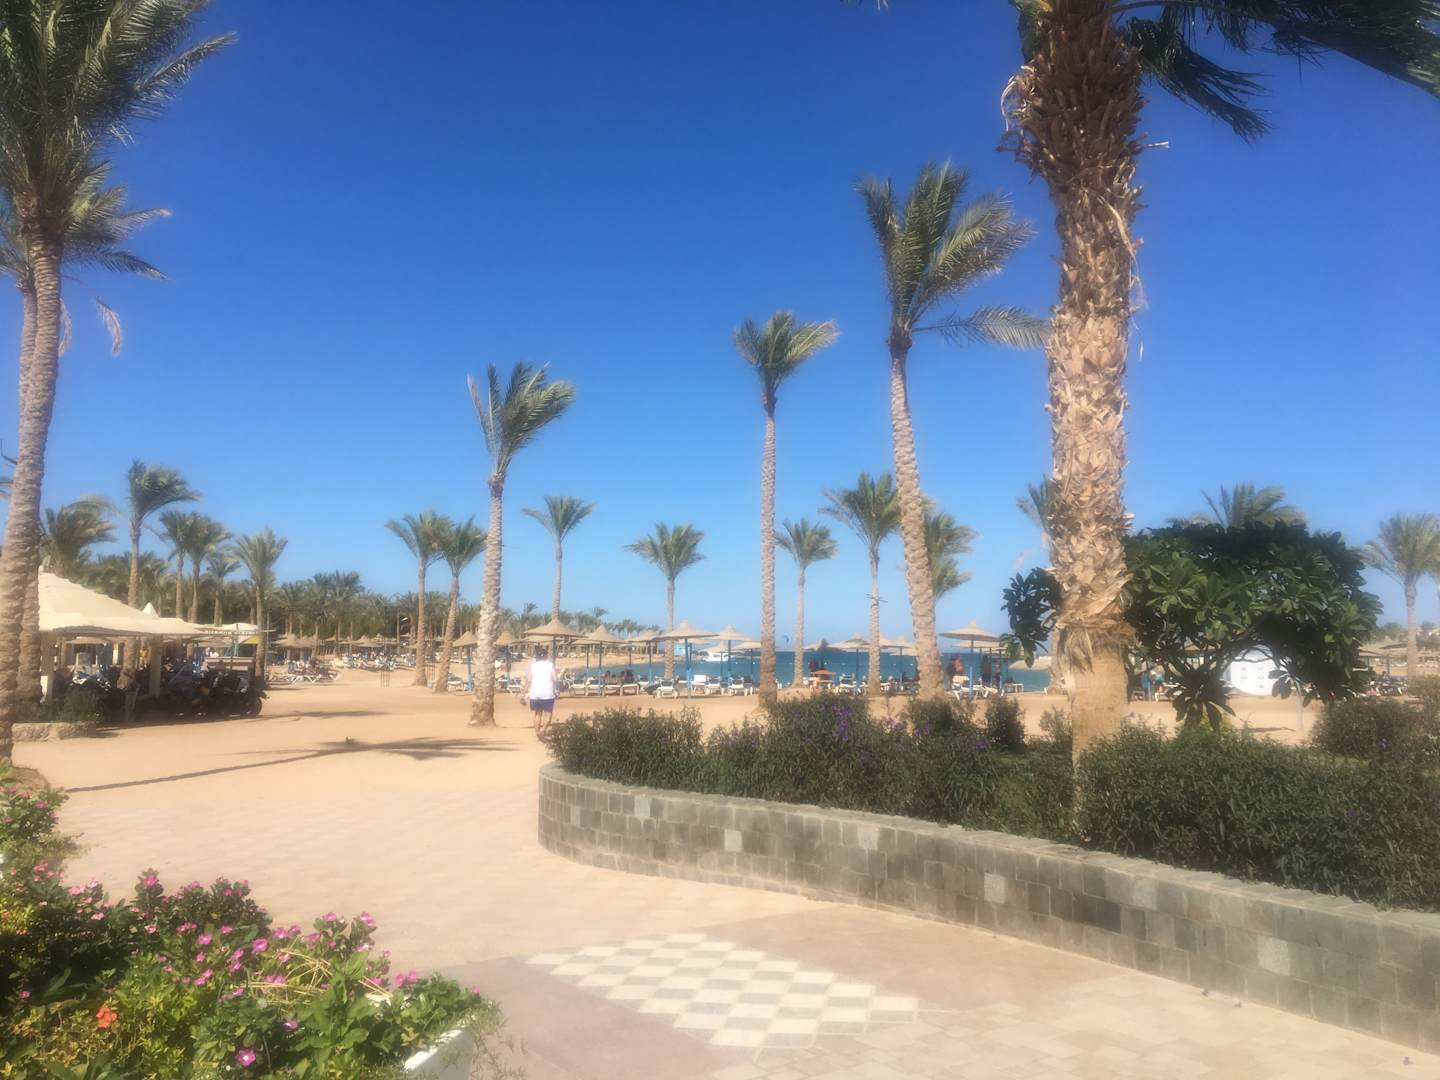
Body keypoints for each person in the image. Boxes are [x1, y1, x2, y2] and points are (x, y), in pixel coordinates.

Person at [525, 646, 557, 732]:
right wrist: (557, 687)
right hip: (547, 693)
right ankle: (542, 731)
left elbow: (528, 680)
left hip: (535, 694)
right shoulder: (550, 665)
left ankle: (537, 732)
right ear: (546, 656)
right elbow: (555, 679)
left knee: (537, 714)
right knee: (548, 714)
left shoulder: (533, 666)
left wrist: (524, 692)